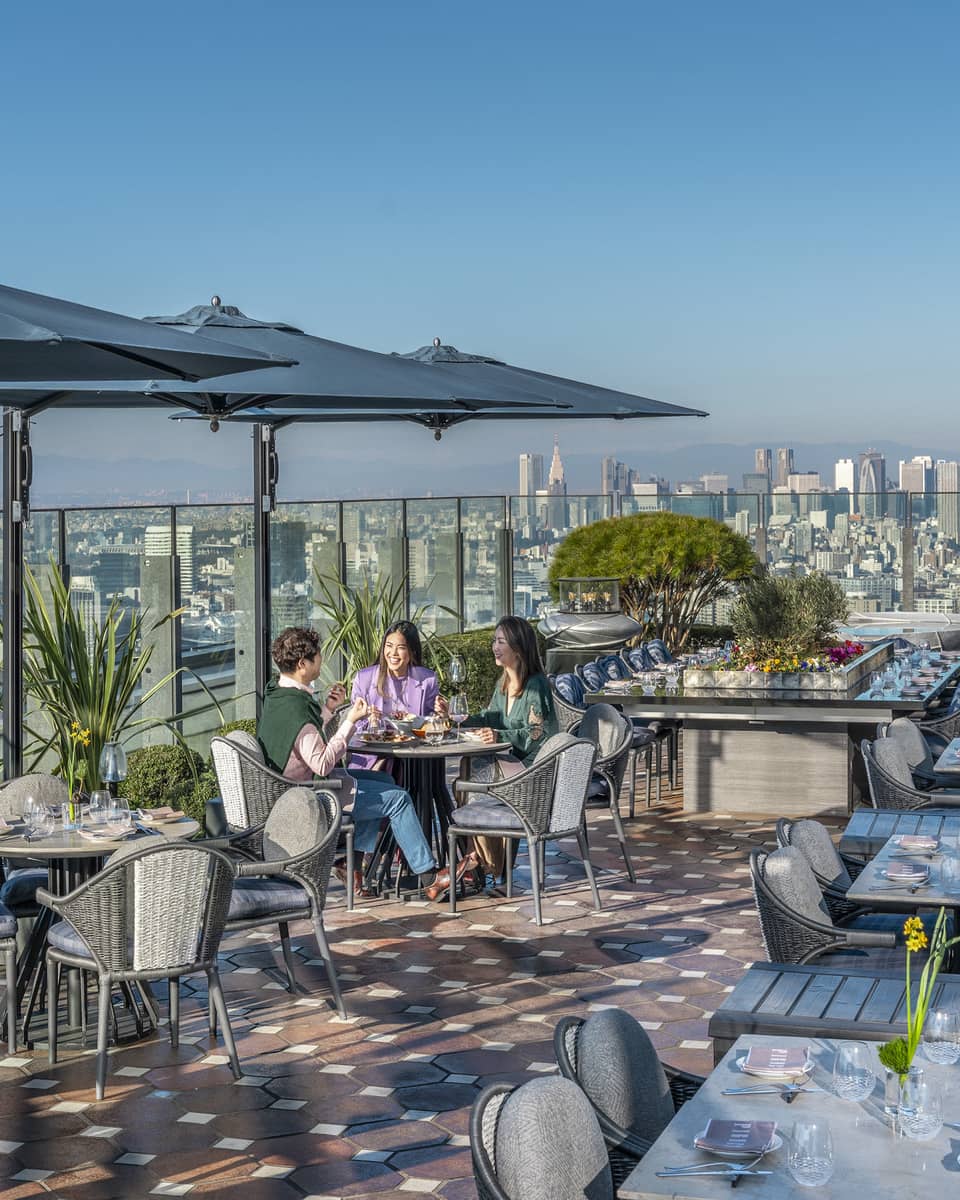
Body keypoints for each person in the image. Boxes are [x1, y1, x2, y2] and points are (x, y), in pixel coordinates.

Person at [257, 626, 442, 898]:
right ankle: (429, 877)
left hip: (294, 784)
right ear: (302, 664)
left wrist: (329, 709)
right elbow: (321, 764)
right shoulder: (296, 708)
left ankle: (353, 867)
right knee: (399, 799)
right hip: (308, 793)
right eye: (317, 656)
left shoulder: (280, 694)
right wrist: (349, 722)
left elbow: (302, 735)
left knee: (385, 779)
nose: (321, 660)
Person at [431, 615, 558, 893]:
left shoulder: (536, 685)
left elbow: (538, 733)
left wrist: (500, 736)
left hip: (532, 769)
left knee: (470, 775)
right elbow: (491, 716)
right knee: (467, 773)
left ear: (518, 647)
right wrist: (456, 717)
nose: (494, 647)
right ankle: (479, 861)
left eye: (501, 641)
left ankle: (475, 860)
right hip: (511, 763)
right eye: (494, 641)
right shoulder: (504, 683)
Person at [349, 621, 440, 771]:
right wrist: (371, 722)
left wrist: (441, 715)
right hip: (373, 755)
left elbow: (432, 724)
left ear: (412, 651)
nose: (393, 653)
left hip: (414, 754)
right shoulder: (364, 678)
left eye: (401, 647)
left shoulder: (427, 680)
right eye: (389, 646)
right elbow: (354, 725)